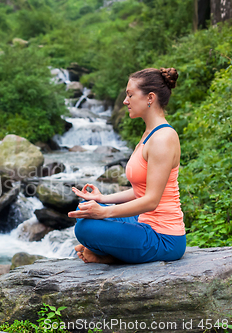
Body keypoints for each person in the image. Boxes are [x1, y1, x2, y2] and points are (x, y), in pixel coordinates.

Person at [68, 67, 186, 264]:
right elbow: (140, 190)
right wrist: (102, 198)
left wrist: (105, 211)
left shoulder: (163, 138)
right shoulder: (149, 134)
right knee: (86, 210)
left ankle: (108, 257)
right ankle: (108, 252)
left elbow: (151, 201)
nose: (125, 101)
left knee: (85, 228)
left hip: (164, 238)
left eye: (130, 95)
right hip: (144, 222)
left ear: (150, 97)